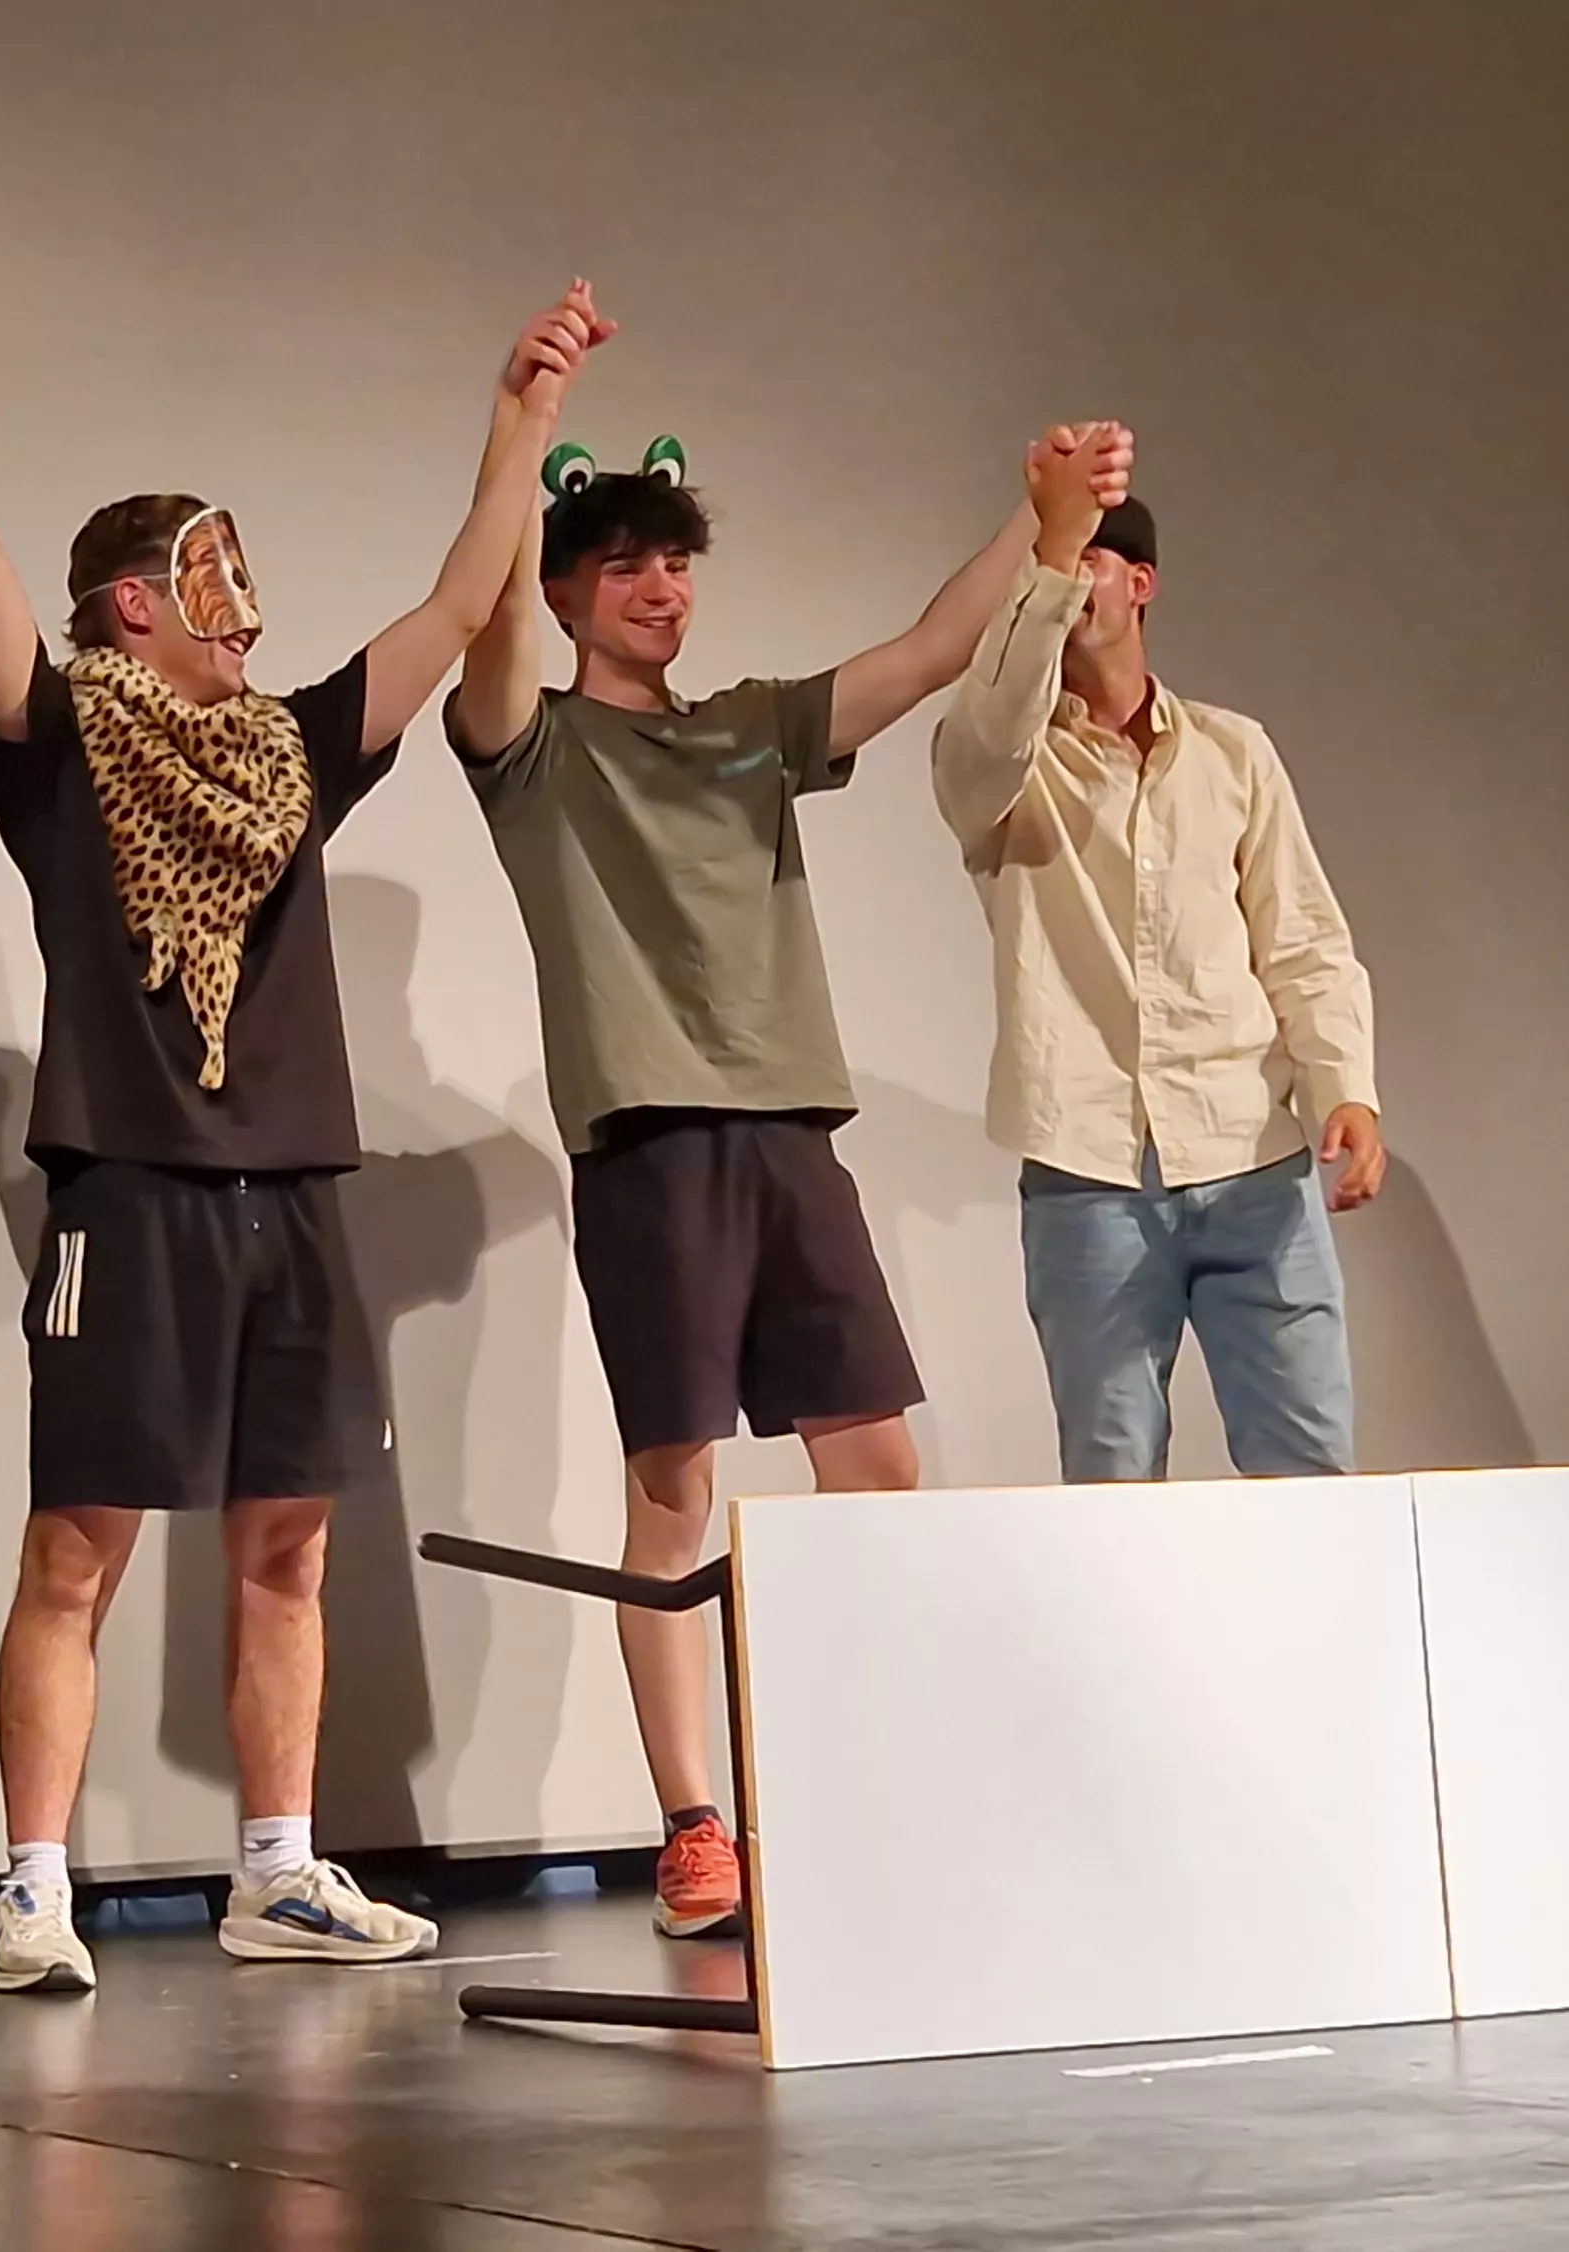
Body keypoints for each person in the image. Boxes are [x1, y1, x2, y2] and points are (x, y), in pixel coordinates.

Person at [0, 192, 604, 1995]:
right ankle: (30, 1881)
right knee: (80, 1541)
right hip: (132, 1186)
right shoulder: (57, 739)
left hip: (293, 1191)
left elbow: (450, 605)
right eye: (212, 575)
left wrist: (523, 421)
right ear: (137, 600)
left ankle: (275, 1864)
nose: (247, 610)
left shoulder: (287, 762)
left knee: (291, 1537)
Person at [441, 420, 1131, 1941]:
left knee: (876, 1470)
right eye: (625, 567)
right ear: (566, 592)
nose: (661, 591)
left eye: (677, 565)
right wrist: (522, 427)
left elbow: (937, 647)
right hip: (649, 1147)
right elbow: (481, 627)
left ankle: (880, 1781)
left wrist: (1051, 524)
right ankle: (698, 1826)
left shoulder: (748, 728)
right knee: (672, 1492)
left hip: (789, 1138)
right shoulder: (536, 746)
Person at [931, 476, 1385, 1484]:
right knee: (1112, 1481)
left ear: (1139, 583)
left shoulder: (1233, 752)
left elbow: (1301, 934)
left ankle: (1309, 1650)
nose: (1058, 590)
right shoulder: (998, 760)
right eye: (1041, 575)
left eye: (1084, 561)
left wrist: (1341, 1086)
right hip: (1087, 1171)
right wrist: (1047, 552)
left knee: (1308, 1471)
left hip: (1252, 1155)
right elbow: (989, 723)